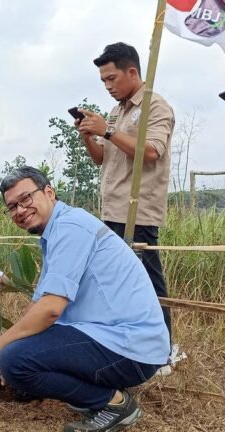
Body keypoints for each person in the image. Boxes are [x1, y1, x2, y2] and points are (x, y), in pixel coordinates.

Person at [0, 166, 170, 432]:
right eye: (12, 207)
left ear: (49, 192)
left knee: (15, 361)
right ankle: (94, 391)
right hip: (118, 339)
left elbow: (50, 310)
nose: (20, 210)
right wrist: (5, 345)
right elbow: (39, 302)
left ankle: (113, 403)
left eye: (26, 199)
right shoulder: (58, 231)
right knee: (16, 353)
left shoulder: (70, 228)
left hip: (131, 347)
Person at [77, 42, 175, 347]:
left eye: (111, 78)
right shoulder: (117, 111)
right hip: (113, 209)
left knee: (148, 280)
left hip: (138, 210)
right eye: (103, 81)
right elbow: (102, 158)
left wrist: (107, 131)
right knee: (121, 281)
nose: (107, 86)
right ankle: (133, 339)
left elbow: (150, 152)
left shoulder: (155, 106)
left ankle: (165, 347)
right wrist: (88, 137)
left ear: (132, 72)